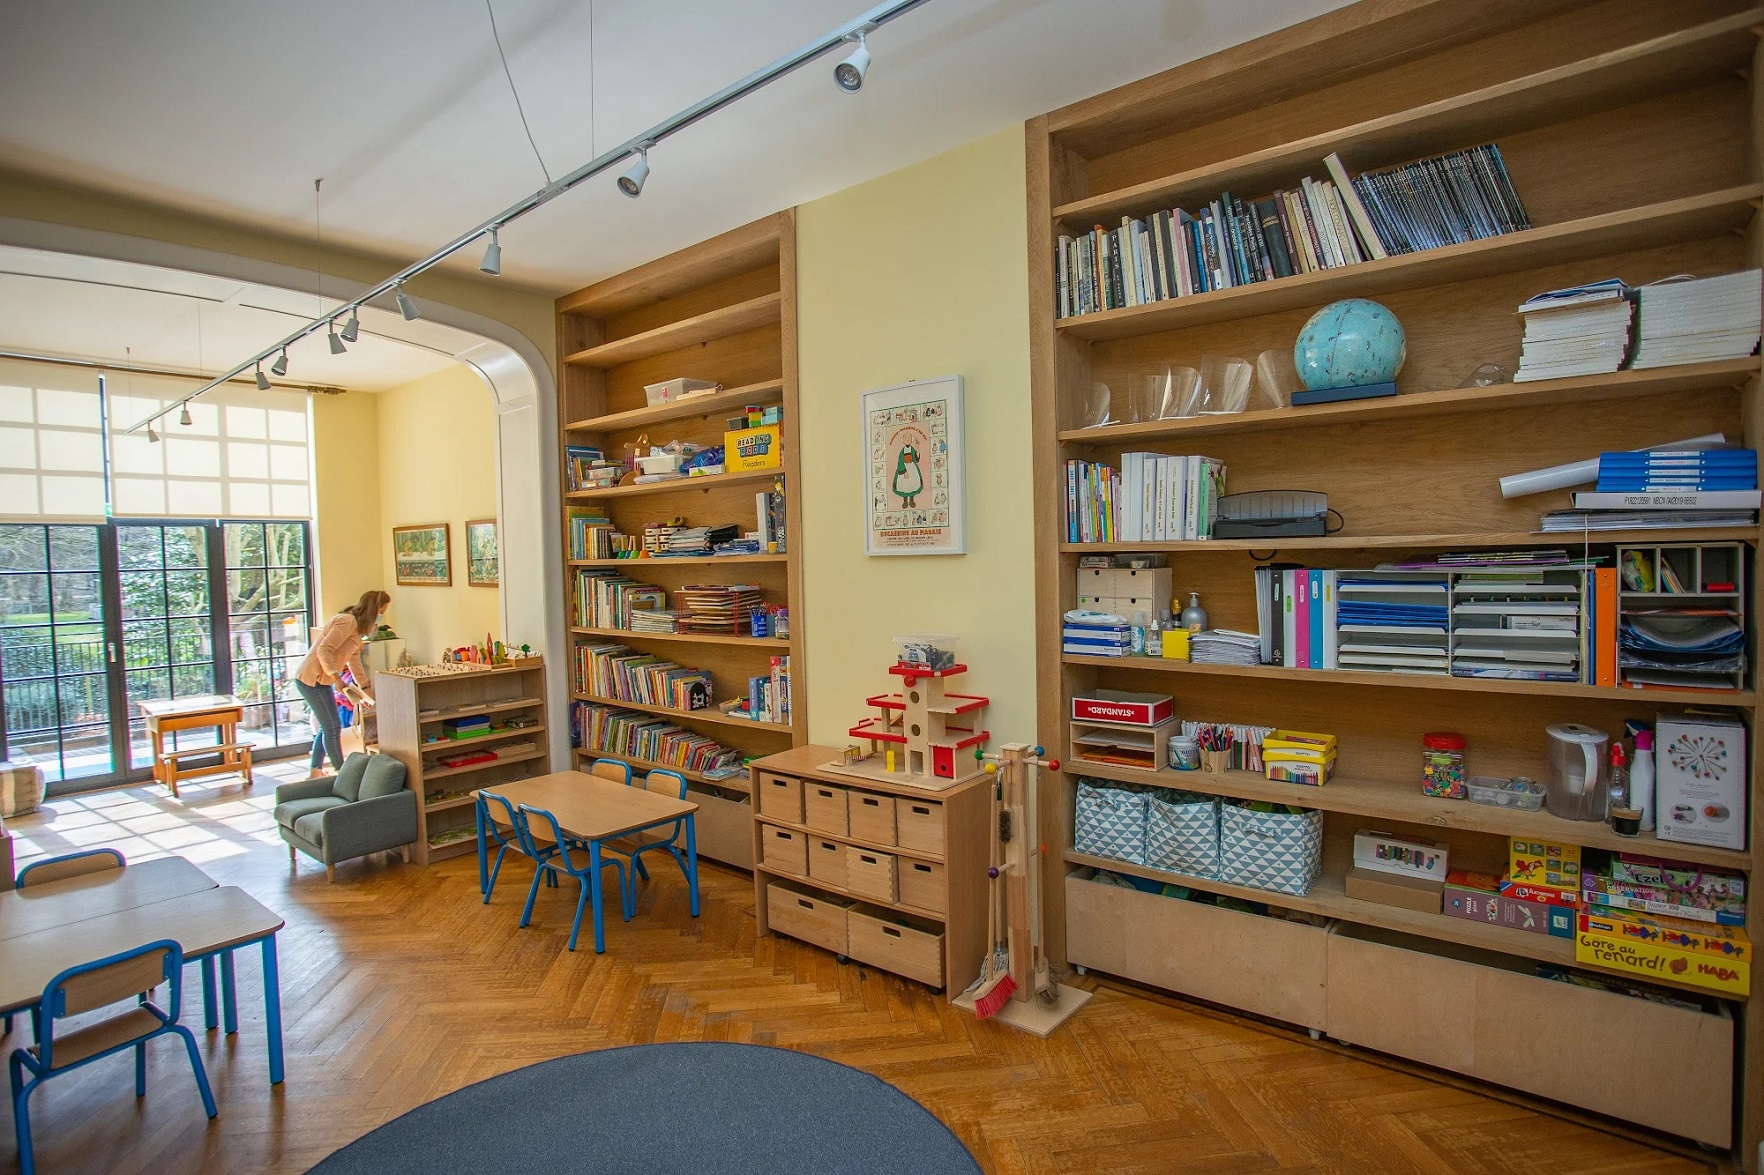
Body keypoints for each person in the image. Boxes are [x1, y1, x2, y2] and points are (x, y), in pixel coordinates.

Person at [294, 590, 389, 778]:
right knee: (332, 727)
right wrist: (336, 677)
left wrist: (364, 687)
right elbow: (324, 650)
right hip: (311, 678)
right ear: (373, 610)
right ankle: (342, 771)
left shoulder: (357, 628)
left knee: (326, 726)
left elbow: (353, 659)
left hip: (321, 680)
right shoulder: (347, 622)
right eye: (381, 610)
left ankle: (315, 770)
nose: (382, 615)